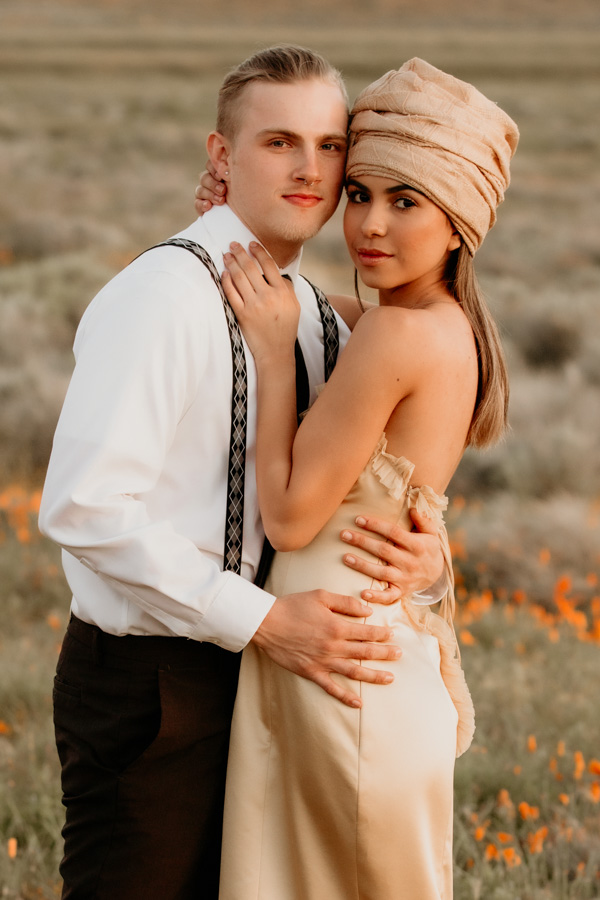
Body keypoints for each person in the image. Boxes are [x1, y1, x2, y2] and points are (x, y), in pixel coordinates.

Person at [38, 46, 447, 900]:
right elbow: (84, 508)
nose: (309, 170)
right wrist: (263, 622)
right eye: (278, 143)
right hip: (153, 683)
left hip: (271, 684)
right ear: (220, 157)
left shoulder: (313, 316)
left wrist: (428, 553)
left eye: (331, 147)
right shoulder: (160, 297)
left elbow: (355, 480)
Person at [199, 58, 518, 899]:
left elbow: (294, 516)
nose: (370, 225)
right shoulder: (437, 326)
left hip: (341, 675)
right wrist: (240, 228)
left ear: (458, 222)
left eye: (405, 201)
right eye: (361, 195)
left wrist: (271, 359)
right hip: (373, 663)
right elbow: (314, 310)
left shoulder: (394, 336)